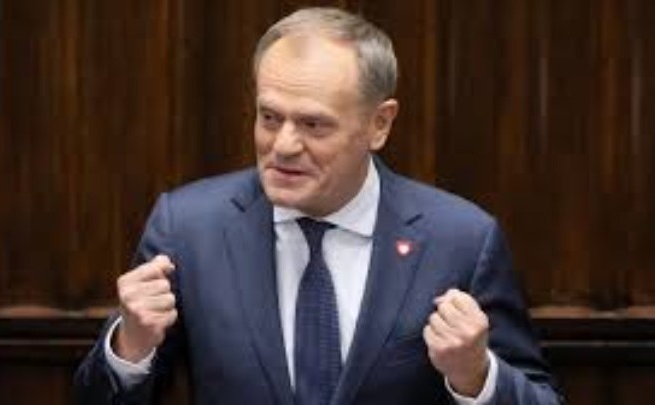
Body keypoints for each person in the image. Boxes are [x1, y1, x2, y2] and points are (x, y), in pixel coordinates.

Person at [74, 7, 562, 405]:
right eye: (270, 118)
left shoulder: (461, 240)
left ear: (379, 124)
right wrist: (131, 348)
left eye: (313, 125)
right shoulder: (188, 228)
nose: (283, 145)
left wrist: (476, 376)